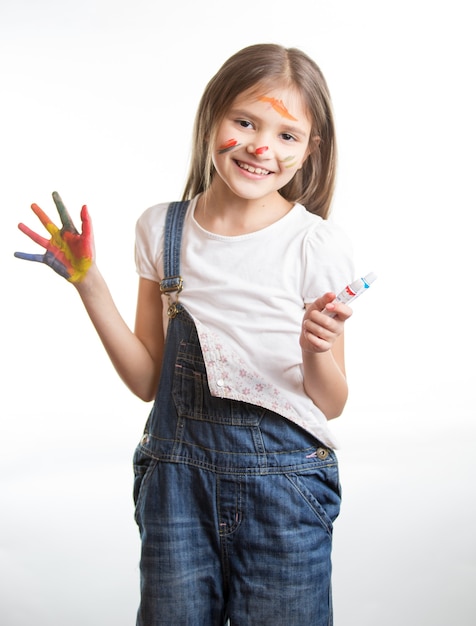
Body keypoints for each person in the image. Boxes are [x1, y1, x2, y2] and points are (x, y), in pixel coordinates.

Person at [15, 43, 355, 626]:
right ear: (211, 116)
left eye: (285, 135)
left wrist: (314, 350)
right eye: (244, 122)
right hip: (176, 485)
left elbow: (333, 401)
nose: (260, 147)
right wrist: (89, 283)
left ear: (309, 149)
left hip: (286, 492)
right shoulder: (161, 229)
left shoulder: (313, 245)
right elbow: (149, 381)